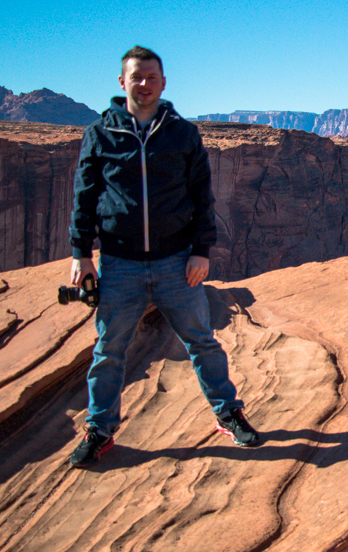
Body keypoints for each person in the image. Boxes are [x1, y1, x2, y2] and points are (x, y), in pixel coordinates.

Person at [68, 46, 261, 468]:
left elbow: (201, 196)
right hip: (119, 264)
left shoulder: (182, 134)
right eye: (136, 76)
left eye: (151, 76)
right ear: (122, 82)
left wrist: (201, 252)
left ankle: (228, 413)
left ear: (163, 82)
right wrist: (81, 254)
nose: (144, 83)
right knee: (109, 350)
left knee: (202, 341)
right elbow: (84, 197)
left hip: (177, 262)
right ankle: (100, 429)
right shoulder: (101, 134)